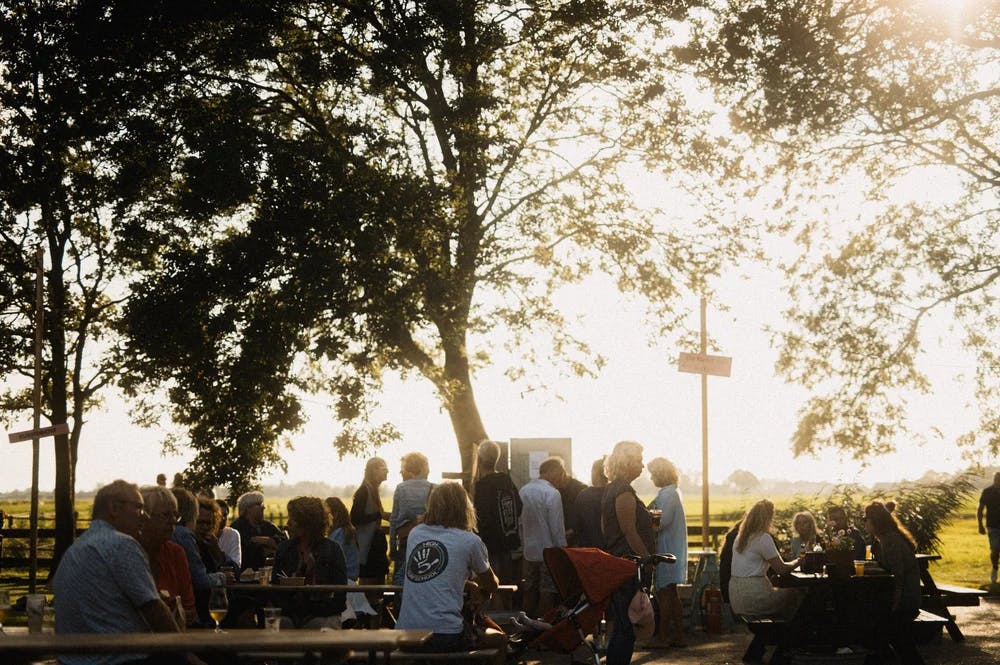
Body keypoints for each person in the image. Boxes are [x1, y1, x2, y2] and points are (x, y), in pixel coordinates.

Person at [52, 480, 182, 664]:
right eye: (139, 508)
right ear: (114, 508)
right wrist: (187, 652)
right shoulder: (121, 544)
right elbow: (154, 610)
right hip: (118, 660)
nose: (144, 517)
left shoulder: (78, 547)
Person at [396, 482, 506, 663]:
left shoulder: (416, 533)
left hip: (406, 633)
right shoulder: (470, 541)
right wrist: (477, 586)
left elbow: (434, 573)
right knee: (499, 640)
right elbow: (492, 585)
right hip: (444, 635)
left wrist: (467, 584)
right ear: (465, 507)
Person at [601, 441, 653, 665]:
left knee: (624, 625)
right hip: (628, 566)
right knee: (626, 627)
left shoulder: (613, 488)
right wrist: (647, 559)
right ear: (628, 462)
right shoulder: (622, 490)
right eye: (639, 460)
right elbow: (629, 531)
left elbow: (607, 529)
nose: (643, 465)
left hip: (620, 564)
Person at [864, 501, 926, 665]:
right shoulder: (884, 538)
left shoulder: (890, 540)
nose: (863, 522)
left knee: (885, 634)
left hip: (904, 601)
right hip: (899, 599)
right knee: (892, 640)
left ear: (874, 521)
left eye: (865, 518)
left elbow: (897, 575)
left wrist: (895, 605)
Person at [271, 496, 347, 628]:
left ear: (306, 523)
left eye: (292, 520)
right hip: (290, 613)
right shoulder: (285, 549)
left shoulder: (332, 550)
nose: (287, 523)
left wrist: (315, 611)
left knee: (316, 626)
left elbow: (340, 595)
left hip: (323, 613)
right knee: (283, 624)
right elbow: (275, 590)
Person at [728, 499, 802, 623]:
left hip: (737, 596)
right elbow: (782, 569)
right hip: (754, 596)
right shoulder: (762, 538)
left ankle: (780, 632)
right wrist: (799, 561)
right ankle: (790, 633)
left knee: (785, 594)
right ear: (768, 518)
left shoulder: (741, 537)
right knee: (797, 594)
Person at [138, 485, 196, 627]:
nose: (173, 521)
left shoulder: (175, 553)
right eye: (165, 515)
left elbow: (190, 610)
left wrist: (176, 609)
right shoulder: (127, 552)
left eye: (175, 515)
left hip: (173, 638)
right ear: (144, 517)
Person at [519, 456, 568, 618]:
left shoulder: (524, 490)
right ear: (552, 472)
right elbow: (557, 528)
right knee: (547, 591)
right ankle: (541, 629)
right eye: (561, 472)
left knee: (529, 591)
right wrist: (563, 551)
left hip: (528, 552)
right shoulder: (552, 494)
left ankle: (525, 627)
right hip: (548, 553)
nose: (563, 476)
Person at [647, 456, 687, 648]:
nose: (651, 477)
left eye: (653, 473)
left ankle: (662, 637)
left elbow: (662, 522)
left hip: (666, 549)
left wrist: (648, 519)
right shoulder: (672, 492)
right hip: (673, 548)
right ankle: (678, 635)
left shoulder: (667, 494)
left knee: (664, 593)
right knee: (672, 593)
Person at [471, 440, 523, 586]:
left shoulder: (482, 486)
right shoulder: (506, 480)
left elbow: (481, 516)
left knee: (493, 584)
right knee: (507, 582)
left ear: (479, 460)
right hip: (507, 540)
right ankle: (507, 608)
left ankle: (495, 608)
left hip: (490, 543)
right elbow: (518, 506)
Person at [171, 489, 226, 626]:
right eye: (200, 522)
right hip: (196, 610)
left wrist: (217, 551)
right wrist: (222, 577)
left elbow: (235, 568)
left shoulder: (209, 544)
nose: (205, 527)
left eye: (209, 523)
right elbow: (200, 580)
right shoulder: (185, 536)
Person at [326, 496, 376, 625]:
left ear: (334, 514)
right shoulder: (343, 531)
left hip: (344, 582)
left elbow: (330, 560)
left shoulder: (339, 533)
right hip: (349, 580)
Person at [389, 452, 434, 585]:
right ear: (423, 467)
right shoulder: (434, 489)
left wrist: (392, 547)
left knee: (400, 580)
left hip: (405, 538)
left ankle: (399, 603)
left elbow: (394, 519)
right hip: (427, 538)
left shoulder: (401, 488)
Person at [352, 457, 390, 586]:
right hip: (369, 548)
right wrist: (379, 514)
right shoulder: (364, 491)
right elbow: (355, 518)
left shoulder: (372, 490)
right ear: (374, 470)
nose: (387, 471)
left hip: (374, 544)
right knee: (370, 585)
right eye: (384, 468)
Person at [231, 490, 287, 573]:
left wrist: (266, 541)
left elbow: (284, 543)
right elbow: (245, 548)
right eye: (259, 504)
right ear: (248, 508)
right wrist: (266, 543)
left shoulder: (268, 525)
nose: (263, 507)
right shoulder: (237, 527)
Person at [569, 457, 608, 549]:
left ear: (594, 472)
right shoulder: (616, 494)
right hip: (611, 550)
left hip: (588, 550)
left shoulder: (584, 495)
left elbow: (576, 526)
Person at [977, 471, 1000, 584]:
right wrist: (980, 525)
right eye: (997, 479)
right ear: (994, 479)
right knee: (995, 550)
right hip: (993, 526)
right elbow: (980, 509)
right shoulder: (987, 492)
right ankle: (995, 568)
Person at [559, 472, 587, 546]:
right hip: (564, 534)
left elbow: (585, 515)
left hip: (576, 536)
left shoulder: (580, 488)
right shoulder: (559, 489)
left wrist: (573, 530)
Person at [214, 498, 242, 568]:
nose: (223, 518)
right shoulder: (203, 535)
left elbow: (236, 564)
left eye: (225, 515)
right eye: (220, 515)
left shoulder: (233, 534)